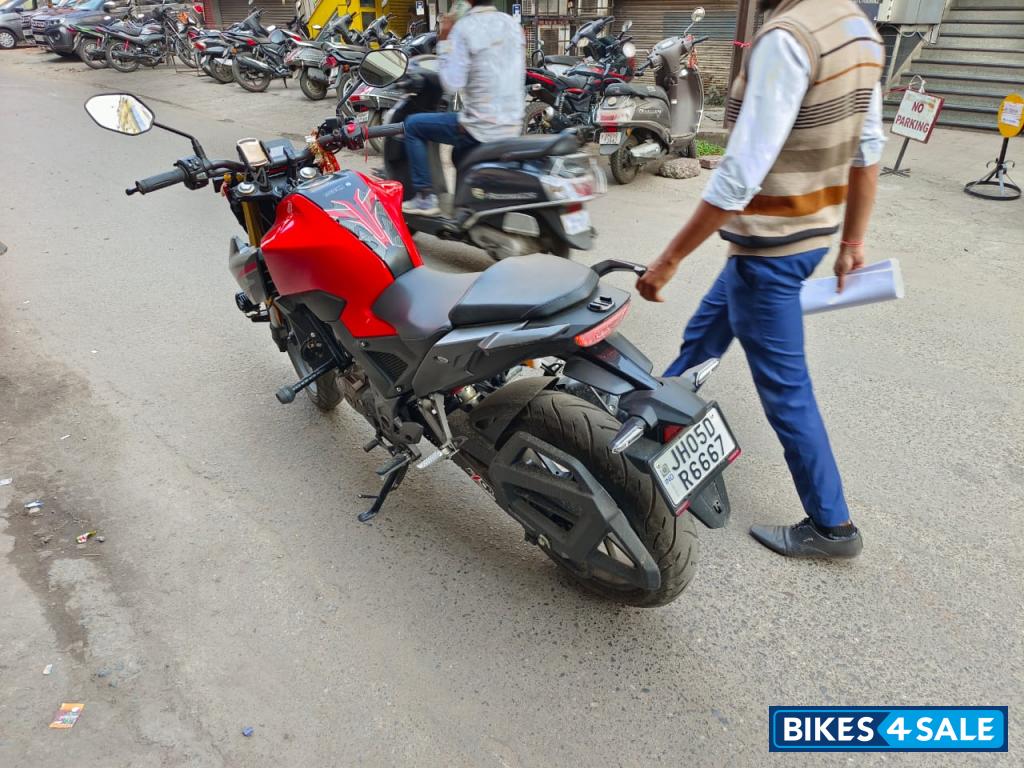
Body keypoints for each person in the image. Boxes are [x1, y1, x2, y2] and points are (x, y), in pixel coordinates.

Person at [636, 0, 886, 559]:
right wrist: (852, 242)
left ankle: (833, 526)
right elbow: (867, 150)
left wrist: (670, 259)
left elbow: (740, 176)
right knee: (703, 336)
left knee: (788, 393)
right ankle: (653, 425)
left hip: (772, 250)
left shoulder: (788, 38)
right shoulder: (860, 31)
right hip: (805, 239)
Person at [401, 0, 526, 216]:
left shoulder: (465, 27)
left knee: (412, 126)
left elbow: (452, 84)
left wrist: (444, 39)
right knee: (457, 153)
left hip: (480, 127)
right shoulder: (512, 25)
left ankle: (425, 197)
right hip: (513, 124)